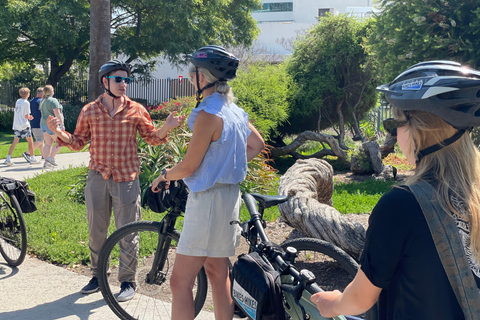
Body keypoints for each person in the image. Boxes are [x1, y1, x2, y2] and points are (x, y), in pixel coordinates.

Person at [310, 60, 480, 319]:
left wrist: (332, 303)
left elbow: (360, 299)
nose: (391, 133)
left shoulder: (401, 206)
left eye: (394, 124)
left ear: (419, 129)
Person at [46, 59, 185, 302]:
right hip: (98, 177)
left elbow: (152, 138)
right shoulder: (89, 110)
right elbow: (78, 141)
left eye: (127, 80)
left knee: (128, 232)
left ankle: (127, 281)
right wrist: (59, 133)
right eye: (118, 79)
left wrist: (167, 127)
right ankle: (99, 276)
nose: (123, 84)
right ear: (105, 81)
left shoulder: (136, 109)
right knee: (96, 231)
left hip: (127, 178)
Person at [151, 46, 265, 320]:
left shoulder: (207, 114)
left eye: (192, 73)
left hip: (208, 203)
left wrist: (164, 175)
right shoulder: (234, 110)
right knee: (217, 273)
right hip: (230, 199)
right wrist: (226, 165)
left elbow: (189, 166)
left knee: (180, 281)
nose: (191, 78)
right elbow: (257, 144)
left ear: (203, 77)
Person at [3, 87, 37, 166]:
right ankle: (32, 158)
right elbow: (26, 115)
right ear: (27, 94)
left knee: (15, 142)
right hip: (24, 124)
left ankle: (8, 159)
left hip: (17, 124)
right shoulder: (26, 103)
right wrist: (30, 117)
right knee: (30, 141)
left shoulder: (18, 101)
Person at [39, 85, 63, 169]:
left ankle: (46, 163)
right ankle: (51, 158)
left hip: (43, 123)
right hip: (52, 123)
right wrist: (62, 124)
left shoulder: (43, 101)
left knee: (48, 144)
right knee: (61, 141)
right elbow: (57, 113)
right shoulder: (53, 100)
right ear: (51, 91)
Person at [22, 87, 44, 162]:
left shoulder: (30, 101)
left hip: (33, 123)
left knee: (40, 140)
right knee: (40, 140)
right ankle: (28, 153)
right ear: (42, 93)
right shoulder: (41, 101)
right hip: (39, 123)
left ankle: (44, 156)